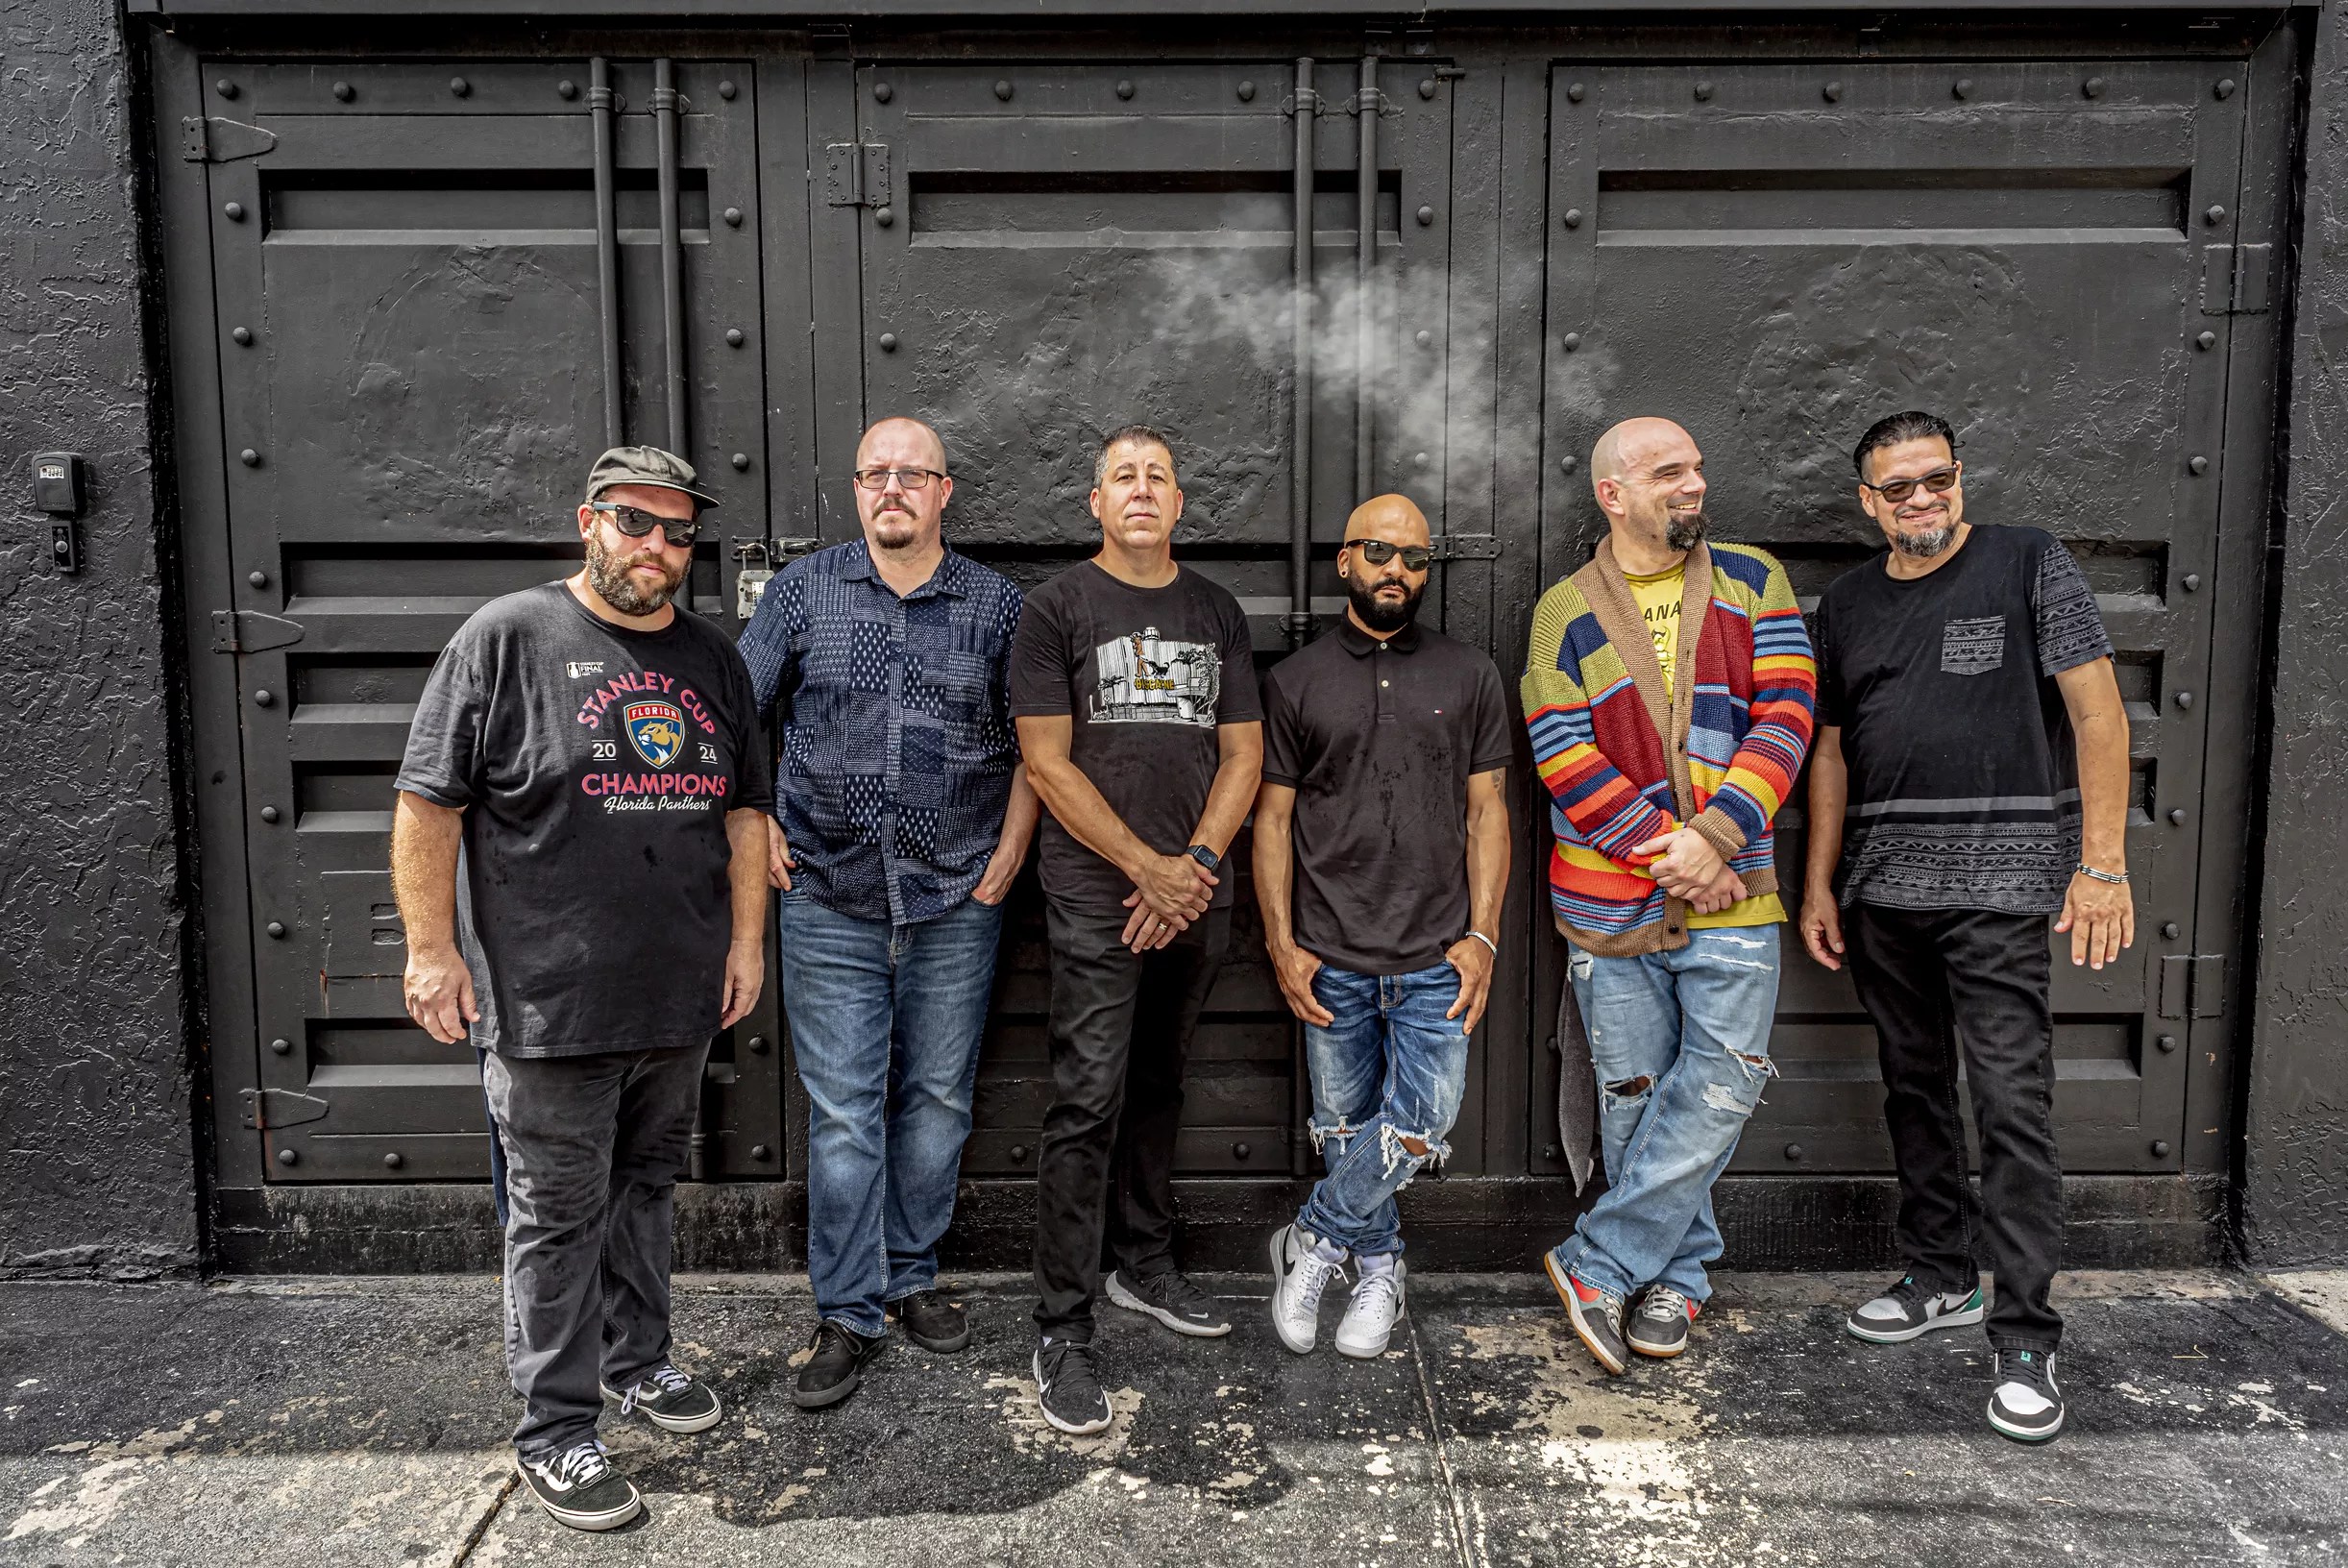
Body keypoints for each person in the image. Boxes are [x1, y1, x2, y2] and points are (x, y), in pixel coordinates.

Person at [391, 446, 772, 1531]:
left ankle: (637, 1361)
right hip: (548, 999)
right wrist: (431, 951)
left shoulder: (713, 658)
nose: (657, 546)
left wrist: (746, 943)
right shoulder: (506, 637)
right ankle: (555, 1431)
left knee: (644, 1189)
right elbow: (427, 804)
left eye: (677, 531)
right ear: (588, 522)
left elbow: (746, 811)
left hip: (678, 992)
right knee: (556, 1217)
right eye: (634, 522)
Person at [1800, 410, 2130, 1444]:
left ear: (1958, 478)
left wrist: (2102, 867)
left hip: (1999, 889)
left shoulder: (2026, 561)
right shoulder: (1847, 603)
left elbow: (2098, 714)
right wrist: (1819, 884)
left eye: (1934, 479)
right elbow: (1828, 752)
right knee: (1913, 1090)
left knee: (2011, 1106)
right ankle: (1939, 1273)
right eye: (1896, 488)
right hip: (1882, 893)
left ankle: (2025, 1337)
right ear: (1868, 502)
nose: (1920, 500)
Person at [736, 417, 1037, 1410]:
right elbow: (734, 716)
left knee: (938, 1100)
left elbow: (1039, 742)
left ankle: (911, 1274)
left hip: (957, 893)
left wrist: (1009, 851)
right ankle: (847, 1309)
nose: (894, 489)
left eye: (914, 474)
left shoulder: (996, 605)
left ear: (944, 492)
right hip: (827, 891)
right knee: (844, 1115)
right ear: (857, 490)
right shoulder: (802, 592)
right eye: (877, 474)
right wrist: (755, 822)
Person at [1522, 417, 1816, 1375]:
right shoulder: (1562, 612)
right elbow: (1561, 753)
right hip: (1611, 907)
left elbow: (1788, 710)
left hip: (1736, 895)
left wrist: (1716, 837)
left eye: (1695, 469)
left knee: (1722, 1088)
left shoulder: (1753, 580)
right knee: (1634, 1101)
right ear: (1612, 494)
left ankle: (1599, 1263)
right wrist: (1674, 855)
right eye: (1668, 472)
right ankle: (1675, 1281)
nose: (1693, 485)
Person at [1009, 425, 1263, 1434]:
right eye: (1124, 476)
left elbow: (1243, 755)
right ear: (1097, 502)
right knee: (1085, 1102)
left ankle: (1144, 1265)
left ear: (1180, 502)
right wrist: (1145, 870)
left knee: (1160, 1083)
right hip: (1096, 896)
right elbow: (1046, 763)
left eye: (1158, 476)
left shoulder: (1214, 610)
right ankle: (1062, 1326)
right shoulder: (1054, 609)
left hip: (1195, 894)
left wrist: (1191, 867)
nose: (1142, 489)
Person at [1257, 495, 1513, 1359]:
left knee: (1420, 1126)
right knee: (1343, 1130)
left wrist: (1483, 936)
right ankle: (1379, 1268)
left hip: (1438, 953)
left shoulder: (1470, 673)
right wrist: (1281, 943)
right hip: (1330, 953)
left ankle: (1316, 1238)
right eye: (1379, 551)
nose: (1397, 569)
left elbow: (1488, 813)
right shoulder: (1295, 681)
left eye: (1414, 557)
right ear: (1345, 561)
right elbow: (1272, 822)